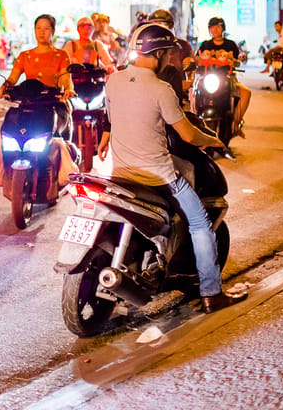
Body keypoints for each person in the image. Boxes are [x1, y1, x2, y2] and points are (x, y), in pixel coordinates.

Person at [97, 23, 248, 314]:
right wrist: (213, 139)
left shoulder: (113, 82)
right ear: (159, 54)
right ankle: (211, 293)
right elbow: (188, 134)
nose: (169, 60)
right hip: (158, 177)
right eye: (168, 54)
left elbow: (114, 120)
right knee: (200, 223)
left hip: (121, 174)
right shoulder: (161, 88)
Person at [0, 13, 74, 139]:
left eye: (46, 28)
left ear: (53, 31)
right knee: (5, 138)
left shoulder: (61, 55)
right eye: (38, 28)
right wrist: (3, 88)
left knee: (62, 143)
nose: (42, 32)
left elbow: (65, 78)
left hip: (53, 104)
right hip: (28, 105)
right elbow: (11, 79)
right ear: (34, 30)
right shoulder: (24, 56)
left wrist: (68, 90)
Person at [197, 17, 251, 138]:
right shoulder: (205, 45)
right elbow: (197, 59)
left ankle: (236, 124)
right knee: (193, 91)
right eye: (212, 27)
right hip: (207, 78)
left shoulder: (230, 45)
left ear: (223, 28)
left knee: (246, 93)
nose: (215, 30)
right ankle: (194, 119)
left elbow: (237, 61)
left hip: (227, 79)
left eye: (218, 27)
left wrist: (234, 61)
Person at [148, 9, 194, 103]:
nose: (158, 27)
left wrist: (189, 81)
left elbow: (191, 69)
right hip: (149, 94)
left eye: (161, 23)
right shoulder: (145, 46)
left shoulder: (182, 46)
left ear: (170, 25)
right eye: (154, 24)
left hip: (176, 94)